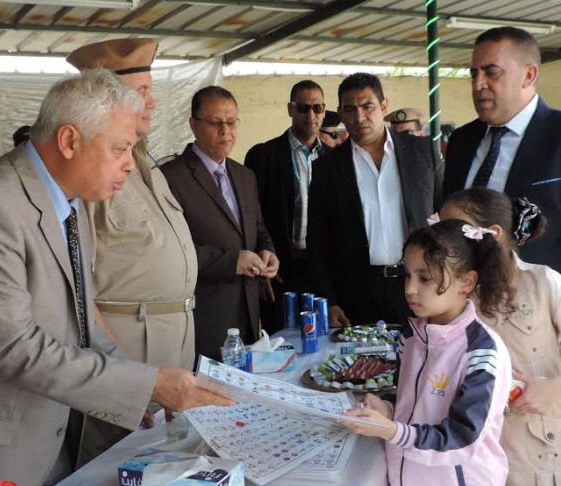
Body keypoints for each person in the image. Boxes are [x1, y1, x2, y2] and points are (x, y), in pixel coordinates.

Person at [0, 70, 231, 486]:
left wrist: (137, 388)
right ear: (69, 141)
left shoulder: (70, 203)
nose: (129, 163)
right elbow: (15, 349)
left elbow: (82, 319)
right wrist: (145, 384)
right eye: (120, 148)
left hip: (45, 437)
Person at [443, 27, 561, 343]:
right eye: (473, 74)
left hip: (546, 329)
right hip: (466, 327)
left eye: (491, 72)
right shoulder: (461, 142)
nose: (478, 84)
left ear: (529, 74)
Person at [439, 188, 561, 486]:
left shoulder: (544, 282)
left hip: (540, 446)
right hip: (472, 444)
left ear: (492, 234)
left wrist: (555, 388)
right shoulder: (449, 290)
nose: (443, 240)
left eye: (454, 229)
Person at [65, 38, 198, 463]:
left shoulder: (143, 162)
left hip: (173, 342)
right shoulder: (88, 171)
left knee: (169, 466)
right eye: (142, 92)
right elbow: (76, 287)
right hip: (129, 350)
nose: (152, 103)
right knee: (116, 469)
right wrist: (123, 374)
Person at [338, 218, 512, 486]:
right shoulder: (413, 337)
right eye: (407, 275)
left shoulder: (481, 352)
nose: (410, 289)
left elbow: (461, 440)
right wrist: (388, 408)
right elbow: (415, 403)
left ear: (466, 282)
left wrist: (392, 431)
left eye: (425, 278)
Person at [307, 73, 443, 328]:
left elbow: (446, 217)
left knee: (422, 351)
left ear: (383, 106)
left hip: (418, 283)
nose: (359, 117)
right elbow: (318, 242)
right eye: (350, 109)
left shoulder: (422, 153)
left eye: (367, 106)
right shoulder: (327, 168)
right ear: (341, 113)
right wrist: (329, 301)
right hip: (357, 291)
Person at [161, 86, 277, 360]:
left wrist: (267, 251)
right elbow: (169, 251)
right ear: (194, 125)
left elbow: (258, 228)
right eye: (215, 122)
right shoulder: (170, 178)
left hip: (248, 316)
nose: (225, 131)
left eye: (231, 122)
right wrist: (230, 261)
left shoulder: (245, 175)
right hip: (204, 318)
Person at [244, 80, 331, 332]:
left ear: (324, 111)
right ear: (290, 109)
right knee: (280, 339)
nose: (311, 115)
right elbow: (252, 217)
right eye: (303, 108)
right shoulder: (263, 155)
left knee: (321, 338)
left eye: (317, 108)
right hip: (278, 270)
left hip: (321, 271)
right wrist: (260, 270)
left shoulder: (333, 159)